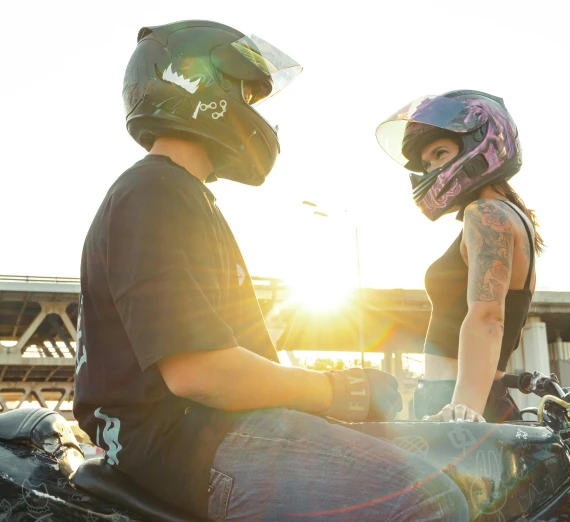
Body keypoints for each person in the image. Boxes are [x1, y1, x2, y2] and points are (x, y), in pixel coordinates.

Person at [74, 20, 469, 521]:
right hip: (189, 442)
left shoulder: (178, 195)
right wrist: (339, 391)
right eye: (247, 94)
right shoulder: (156, 192)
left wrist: (329, 393)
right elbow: (199, 372)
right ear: (198, 85)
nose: (256, 115)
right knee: (434, 500)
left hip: (196, 437)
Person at [376, 91, 545, 424]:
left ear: (482, 144)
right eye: (427, 163)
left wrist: (462, 409)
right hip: (470, 402)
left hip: (460, 404)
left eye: (441, 153)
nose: (434, 169)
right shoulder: (509, 215)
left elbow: (488, 319)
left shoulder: (485, 214)